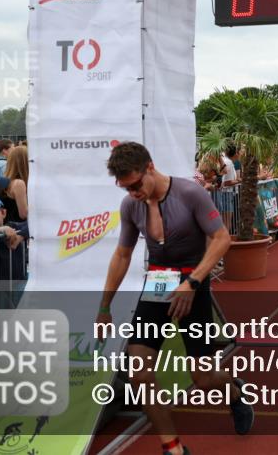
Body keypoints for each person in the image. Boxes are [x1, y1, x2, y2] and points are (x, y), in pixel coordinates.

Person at [96, 142, 253, 455]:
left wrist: (193, 282)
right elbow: (122, 254)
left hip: (193, 282)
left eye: (137, 184)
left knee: (203, 377)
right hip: (158, 282)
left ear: (150, 167)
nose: (133, 193)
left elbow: (221, 238)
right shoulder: (131, 206)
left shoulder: (189, 193)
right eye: (126, 188)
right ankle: (173, 447)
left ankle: (235, 392)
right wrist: (104, 306)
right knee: (138, 373)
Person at [0, 146, 29, 222]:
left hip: (9, 225)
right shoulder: (19, 183)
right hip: (18, 228)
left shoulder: (6, 180)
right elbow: (23, 214)